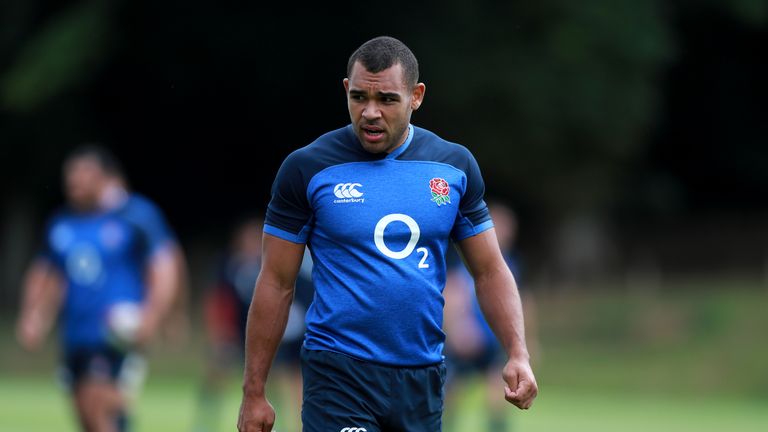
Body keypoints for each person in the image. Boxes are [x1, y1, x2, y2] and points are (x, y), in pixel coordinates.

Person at [237, 36, 537, 432]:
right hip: (338, 373)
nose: (370, 113)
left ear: (416, 96)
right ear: (346, 90)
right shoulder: (307, 169)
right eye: (359, 97)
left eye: (388, 100)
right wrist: (254, 391)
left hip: (422, 376)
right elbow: (276, 282)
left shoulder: (453, 167)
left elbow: (490, 270)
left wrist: (518, 352)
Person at [16, 145, 184, 432]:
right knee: (87, 417)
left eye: (84, 175)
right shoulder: (62, 224)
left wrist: (154, 315)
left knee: (100, 411)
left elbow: (166, 266)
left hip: (115, 332)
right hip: (75, 334)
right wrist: (34, 315)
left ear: (105, 177)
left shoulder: (135, 215)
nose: (75, 182)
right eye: (70, 176)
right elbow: (47, 274)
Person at [195, 217, 313, 432]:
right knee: (218, 372)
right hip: (242, 333)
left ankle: (296, 425)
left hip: (277, 334)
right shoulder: (231, 267)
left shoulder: (277, 267)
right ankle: (203, 423)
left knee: (288, 378)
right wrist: (221, 334)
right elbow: (219, 300)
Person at [443, 202, 537, 431]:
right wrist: (458, 328)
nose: (505, 232)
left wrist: (527, 343)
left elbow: (524, 302)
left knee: (499, 395)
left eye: (508, 228)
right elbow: (453, 293)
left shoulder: (514, 263)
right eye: (500, 226)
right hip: (467, 340)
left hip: (494, 341)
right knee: (450, 396)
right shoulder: (465, 257)